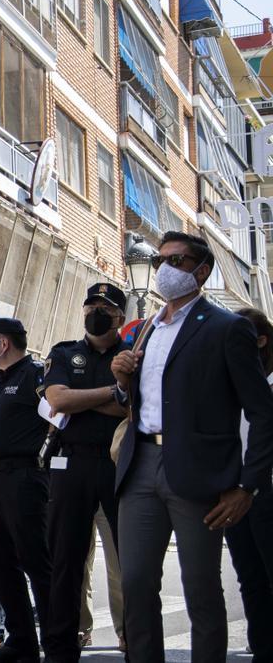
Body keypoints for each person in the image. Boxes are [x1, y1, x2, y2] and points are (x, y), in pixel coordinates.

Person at [112, 231, 273, 663]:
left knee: (201, 588)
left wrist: (247, 486)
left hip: (199, 472)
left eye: (176, 260)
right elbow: (142, 400)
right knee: (136, 582)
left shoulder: (228, 328)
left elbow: (263, 412)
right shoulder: (146, 326)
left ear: (201, 272)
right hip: (141, 462)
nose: (164, 267)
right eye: (160, 258)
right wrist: (122, 382)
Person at [39, 282, 128, 663]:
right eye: (91, 305)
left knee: (127, 561)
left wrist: (83, 400)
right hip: (70, 464)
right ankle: (62, 645)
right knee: (66, 560)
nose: (96, 312)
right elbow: (57, 399)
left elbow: (135, 409)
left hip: (118, 464)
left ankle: (133, 639)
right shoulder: (65, 353)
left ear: (119, 317)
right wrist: (114, 392)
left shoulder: (132, 354)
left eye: (105, 307)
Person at [0, 318, 51, 663]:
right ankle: (22, 639)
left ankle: (55, 639)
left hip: (22, 477)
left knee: (36, 561)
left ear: (2, 343)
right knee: (0, 564)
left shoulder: (35, 375)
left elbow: (56, 417)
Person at [225, 307, 273, 662]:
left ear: (260, 341)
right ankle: (261, 648)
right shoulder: (233, 383)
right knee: (251, 578)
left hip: (267, 491)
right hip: (236, 492)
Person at [77, 506, 125, 651]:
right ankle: (81, 628)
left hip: (110, 491)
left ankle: (125, 631)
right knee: (78, 565)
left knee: (117, 566)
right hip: (78, 489)